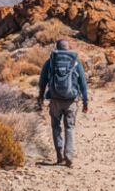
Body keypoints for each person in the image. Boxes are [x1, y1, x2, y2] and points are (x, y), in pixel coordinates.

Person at [36, 39, 89, 167]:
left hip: (54, 100)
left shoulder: (50, 62)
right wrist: (85, 101)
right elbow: (83, 83)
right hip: (71, 101)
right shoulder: (75, 62)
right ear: (68, 48)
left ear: (57, 47)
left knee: (56, 127)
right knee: (69, 127)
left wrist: (41, 98)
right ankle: (69, 157)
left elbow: (42, 82)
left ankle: (60, 156)